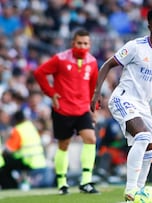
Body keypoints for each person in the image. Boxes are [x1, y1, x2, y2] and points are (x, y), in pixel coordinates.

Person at [90, 7, 152, 202]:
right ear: (150, 27)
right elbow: (107, 65)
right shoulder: (136, 46)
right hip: (123, 98)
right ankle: (131, 189)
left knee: (149, 147)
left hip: (143, 105)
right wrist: (96, 93)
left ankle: (139, 190)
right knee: (144, 136)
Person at [33, 28, 99, 195]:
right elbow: (39, 73)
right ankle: (62, 182)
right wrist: (51, 93)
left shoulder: (92, 62)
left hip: (83, 109)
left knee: (90, 139)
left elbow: (94, 87)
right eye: (79, 43)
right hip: (63, 109)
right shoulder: (60, 59)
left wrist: (94, 108)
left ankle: (86, 181)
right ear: (73, 43)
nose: (82, 46)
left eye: (85, 43)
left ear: (90, 45)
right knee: (64, 145)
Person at [0, 111, 54, 189]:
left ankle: (11, 186)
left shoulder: (18, 129)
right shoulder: (31, 126)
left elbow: (9, 149)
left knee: (4, 165)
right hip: (39, 161)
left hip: (28, 161)